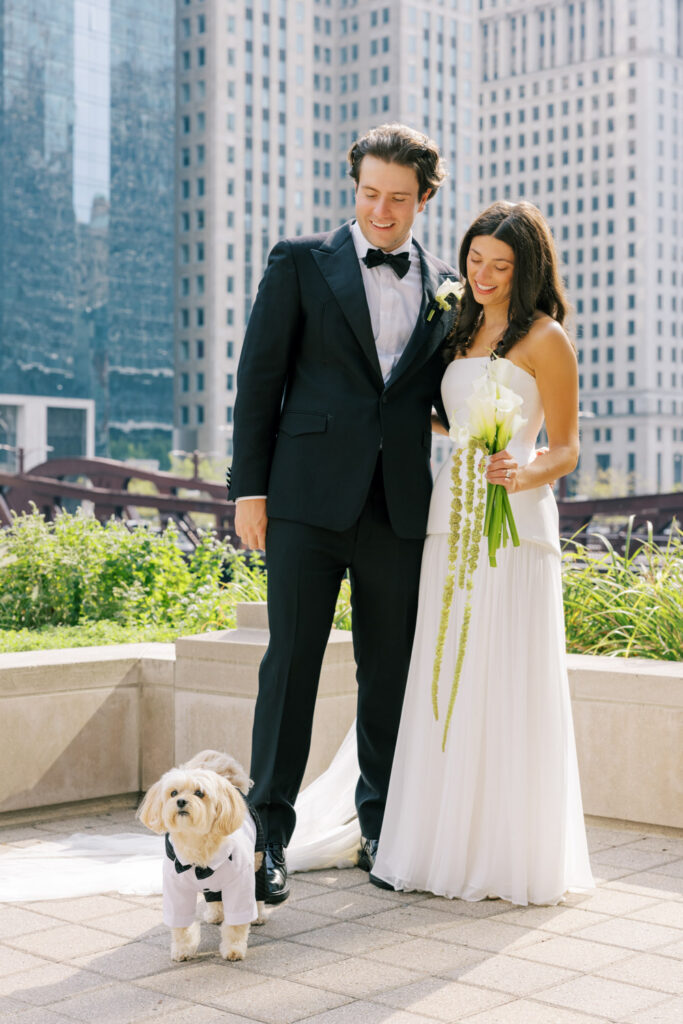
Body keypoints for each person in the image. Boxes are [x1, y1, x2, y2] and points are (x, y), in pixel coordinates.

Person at [228, 124, 458, 904]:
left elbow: (438, 396)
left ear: (424, 197)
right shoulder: (299, 260)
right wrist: (247, 491)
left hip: (398, 507)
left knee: (387, 673)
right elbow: (258, 378)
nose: (382, 211)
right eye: (369, 194)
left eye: (398, 198)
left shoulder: (448, 286)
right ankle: (265, 838)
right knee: (290, 664)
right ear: (352, 185)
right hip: (303, 502)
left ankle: (383, 829)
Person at [369, 200, 594, 904]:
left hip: (516, 520)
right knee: (447, 672)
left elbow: (565, 447)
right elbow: (439, 414)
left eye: (500, 266)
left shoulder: (545, 338)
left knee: (504, 671)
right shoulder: (454, 325)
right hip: (449, 512)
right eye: (474, 261)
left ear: (526, 270)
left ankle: (506, 853)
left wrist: (521, 471)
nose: (484, 274)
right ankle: (436, 844)